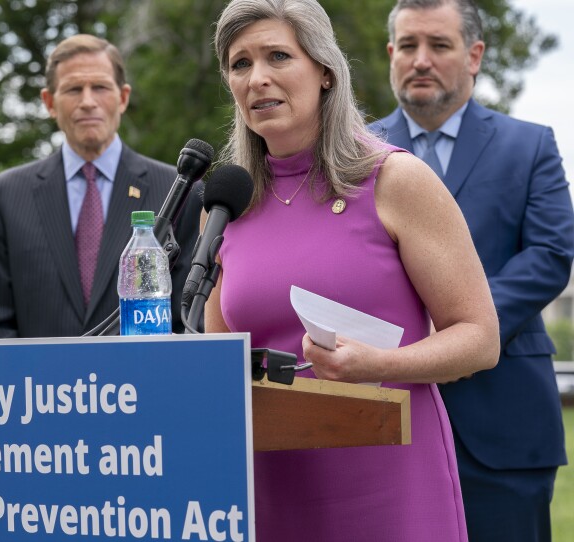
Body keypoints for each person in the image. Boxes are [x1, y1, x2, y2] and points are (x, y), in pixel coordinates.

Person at [208, 0, 500, 539]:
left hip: (386, 477)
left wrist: (378, 362)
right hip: (269, 486)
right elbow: (218, 353)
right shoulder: (228, 205)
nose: (258, 78)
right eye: (240, 63)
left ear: (324, 71)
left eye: (277, 55)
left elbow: (480, 339)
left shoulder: (395, 180)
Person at [370, 0, 574, 539]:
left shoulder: (530, 146)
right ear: (391, 54)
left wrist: (463, 328)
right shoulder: (351, 153)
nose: (421, 60)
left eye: (439, 46)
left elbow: (551, 255)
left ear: (474, 55)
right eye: (408, 46)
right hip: (383, 414)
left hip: (504, 416)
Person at [0, 34, 202, 339]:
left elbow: (191, 321)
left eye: (101, 87)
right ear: (49, 102)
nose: (88, 101)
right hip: (40, 385)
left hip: (147, 382)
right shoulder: (3, 197)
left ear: (123, 98)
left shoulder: (180, 191)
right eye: (74, 89)